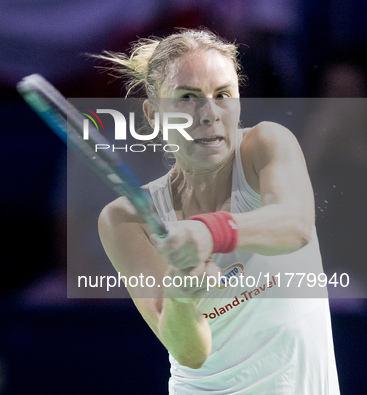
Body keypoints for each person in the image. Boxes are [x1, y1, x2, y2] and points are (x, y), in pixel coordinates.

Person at [95, 29, 340, 394]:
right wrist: (181, 291)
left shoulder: (266, 144)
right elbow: (190, 351)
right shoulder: (125, 218)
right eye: (187, 97)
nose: (209, 113)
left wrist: (208, 232)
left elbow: (295, 224)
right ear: (153, 114)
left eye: (223, 95)